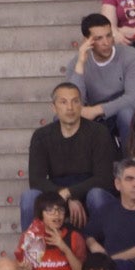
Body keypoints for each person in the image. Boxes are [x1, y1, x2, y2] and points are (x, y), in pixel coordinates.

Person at [23, 83, 116, 234]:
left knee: (97, 196)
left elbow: (104, 178)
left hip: (89, 193)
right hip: (56, 196)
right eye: (63, 102)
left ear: (81, 105)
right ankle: (31, 251)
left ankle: (101, 253)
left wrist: (70, 193)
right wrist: (65, 197)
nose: (70, 107)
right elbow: (36, 180)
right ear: (54, 108)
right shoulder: (41, 136)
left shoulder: (99, 133)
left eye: (75, 101)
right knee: (29, 197)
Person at [68, 14, 135, 144]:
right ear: (87, 40)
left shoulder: (131, 56)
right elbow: (74, 102)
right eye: (99, 38)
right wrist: (81, 63)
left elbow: (134, 98)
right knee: (63, 119)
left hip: (121, 111)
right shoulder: (76, 63)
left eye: (109, 35)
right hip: (95, 119)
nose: (106, 42)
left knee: (127, 114)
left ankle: (132, 163)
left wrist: (97, 110)